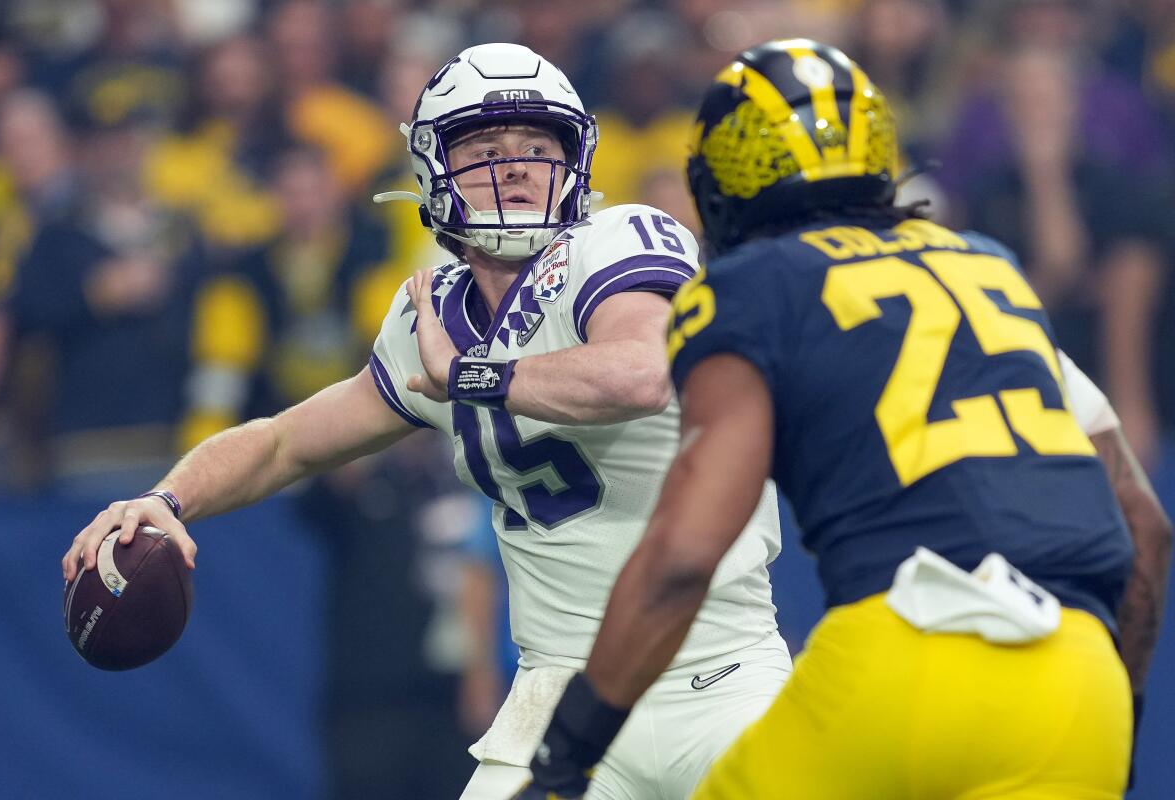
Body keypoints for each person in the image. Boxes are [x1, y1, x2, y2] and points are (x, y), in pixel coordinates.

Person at [62, 43, 793, 800]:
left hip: (715, 675)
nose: (515, 165)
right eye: (485, 148)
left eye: (538, 147)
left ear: (575, 159)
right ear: (434, 171)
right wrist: (167, 498)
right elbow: (283, 443)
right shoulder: (431, 314)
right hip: (554, 702)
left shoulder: (620, 241)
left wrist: (470, 377)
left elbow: (642, 373)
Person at [516, 39, 1172, 799]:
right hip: (1081, 683)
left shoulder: (751, 288)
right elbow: (1146, 532)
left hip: (910, 657)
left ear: (723, 179)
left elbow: (685, 556)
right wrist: (1111, 707)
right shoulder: (985, 265)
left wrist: (563, 758)